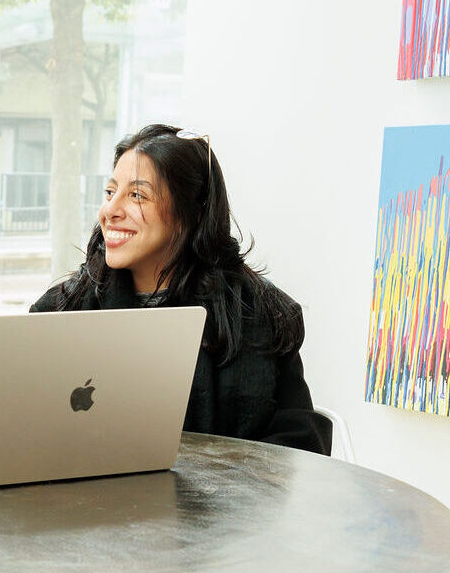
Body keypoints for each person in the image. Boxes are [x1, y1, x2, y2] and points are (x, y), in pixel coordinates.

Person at [31, 124, 332, 455]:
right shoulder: (61, 309)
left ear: (192, 213)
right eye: (110, 192)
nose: (110, 211)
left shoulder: (261, 312)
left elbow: (298, 445)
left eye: (136, 195)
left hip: (224, 503)